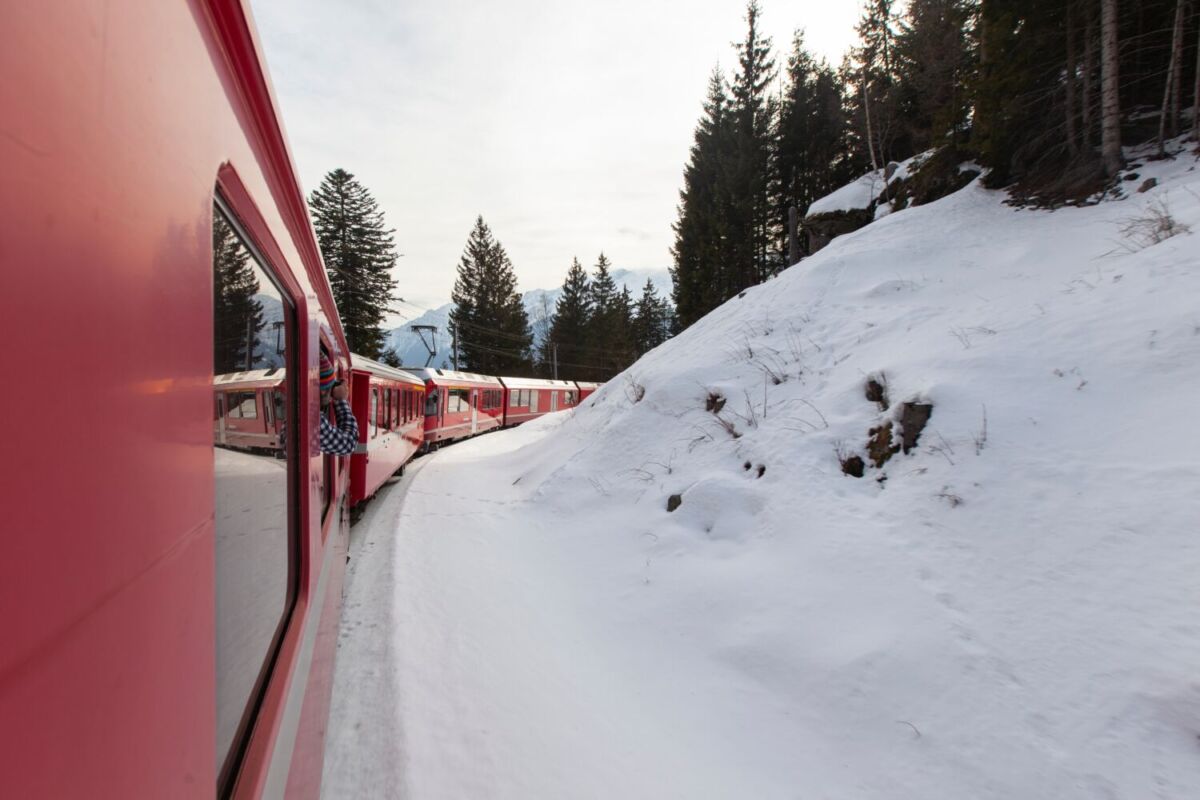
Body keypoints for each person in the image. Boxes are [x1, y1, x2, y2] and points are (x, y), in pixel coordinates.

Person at [319, 353, 359, 456]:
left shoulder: (294, 414)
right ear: (323, 392)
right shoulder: (312, 421)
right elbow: (349, 444)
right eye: (329, 388)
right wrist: (341, 400)